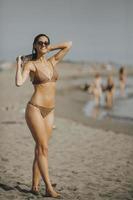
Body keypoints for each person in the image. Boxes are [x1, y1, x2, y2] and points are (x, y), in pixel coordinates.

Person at [15, 34, 72, 198]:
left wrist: (48, 48)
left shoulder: (52, 61)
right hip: (35, 109)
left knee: (40, 148)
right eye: (40, 43)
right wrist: (19, 64)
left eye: (46, 43)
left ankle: (34, 186)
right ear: (34, 45)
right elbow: (19, 82)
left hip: (50, 111)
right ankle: (48, 188)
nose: (43, 45)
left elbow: (68, 44)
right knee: (43, 148)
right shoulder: (30, 65)